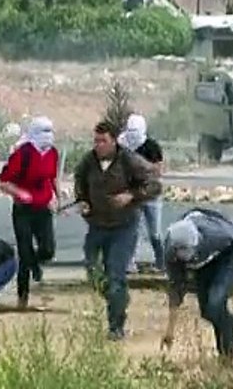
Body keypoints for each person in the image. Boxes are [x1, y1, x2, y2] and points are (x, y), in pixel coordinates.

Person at [73, 120, 162, 340]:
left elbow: (154, 184)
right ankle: (118, 298)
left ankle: (116, 325)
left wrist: (131, 196)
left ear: (114, 141)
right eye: (96, 141)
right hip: (97, 226)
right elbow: (80, 182)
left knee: (115, 274)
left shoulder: (129, 160)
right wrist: (82, 201)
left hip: (124, 227)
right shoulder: (88, 161)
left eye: (103, 141)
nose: (98, 146)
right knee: (93, 273)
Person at [160, 208, 233, 361]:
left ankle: (227, 352)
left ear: (198, 241)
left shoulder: (216, 235)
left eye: (189, 252)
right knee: (207, 311)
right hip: (204, 264)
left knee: (216, 303)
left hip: (227, 255)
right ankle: (229, 324)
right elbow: (176, 287)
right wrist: (169, 331)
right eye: (183, 256)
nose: (186, 257)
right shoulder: (170, 252)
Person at [0, 116, 61, 309]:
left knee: (48, 249)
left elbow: (52, 176)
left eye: (50, 131)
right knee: (25, 253)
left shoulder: (52, 153)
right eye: (43, 131)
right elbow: (3, 181)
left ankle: (36, 264)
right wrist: (20, 193)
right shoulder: (22, 154)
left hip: (43, 207)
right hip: (23, 209)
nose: (47, 136)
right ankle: (22, 297)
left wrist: (58, 197)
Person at [119, 114, 165, 273]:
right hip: (133, 195)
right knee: (132, 230)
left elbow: (158, 171)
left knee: (155, 232)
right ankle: (129, 264)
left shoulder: (152, 147)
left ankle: (162, 262)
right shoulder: (122, 145)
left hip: (151, 195)